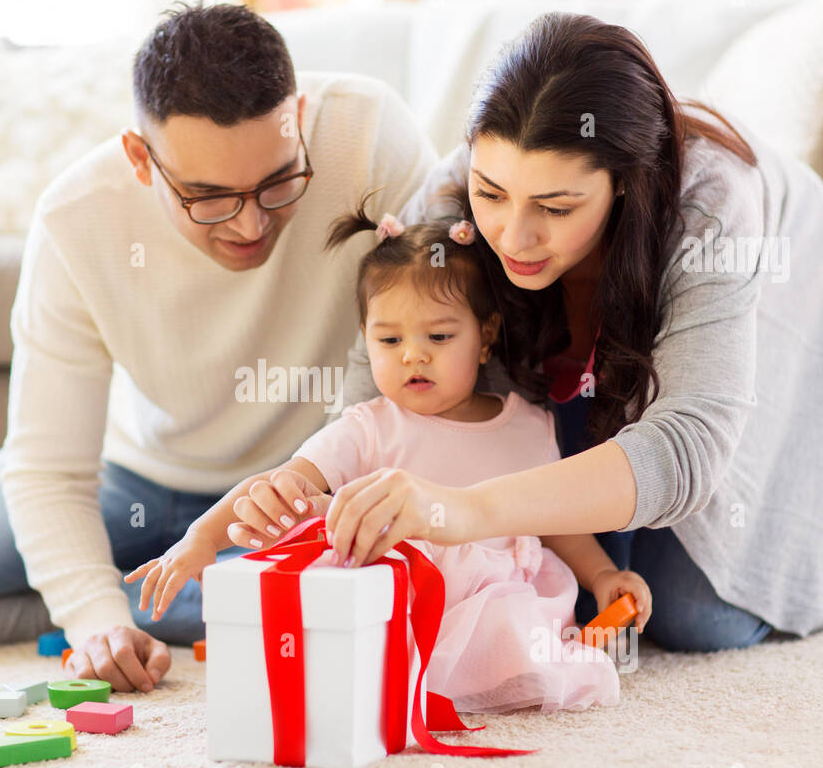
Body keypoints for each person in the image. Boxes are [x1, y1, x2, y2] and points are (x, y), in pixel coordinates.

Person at [0, 2, 437, 691]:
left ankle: (64, 606)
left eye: (277, 182)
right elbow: (48, 470)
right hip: (122, 475)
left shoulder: (370, 134)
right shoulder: (76, 218)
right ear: (140, 158)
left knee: (365, 601)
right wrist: (95, 622)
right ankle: (118, 598)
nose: (252, 223)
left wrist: (454, 240)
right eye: (209, 197)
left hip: (298, 492)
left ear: (299, 115)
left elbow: (443, 339)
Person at [226, 11, 823, 653]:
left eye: (556, 208)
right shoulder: (462, 186)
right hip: (597, 368)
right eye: (493, 194)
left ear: (625, 184)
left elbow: (688, 449)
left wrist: (465, 510)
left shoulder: (712, 204)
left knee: (690, 616)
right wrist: (305, 478)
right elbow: (377, 378)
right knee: (573, 578)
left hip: (783, 302)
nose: (513, 235)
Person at [131, 201, 652, 712]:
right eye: (389, 339)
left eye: (440, 336)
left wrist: (604, 576)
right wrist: (203, 535)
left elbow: (558, 522)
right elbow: (277, 486)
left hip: (495, 598)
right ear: (366, 340)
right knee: (307, 608)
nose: (413, 354)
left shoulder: (527, 425)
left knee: (518, 634)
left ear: (485, 336)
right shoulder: (369, 427)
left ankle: (487, 671)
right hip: (389, 599)